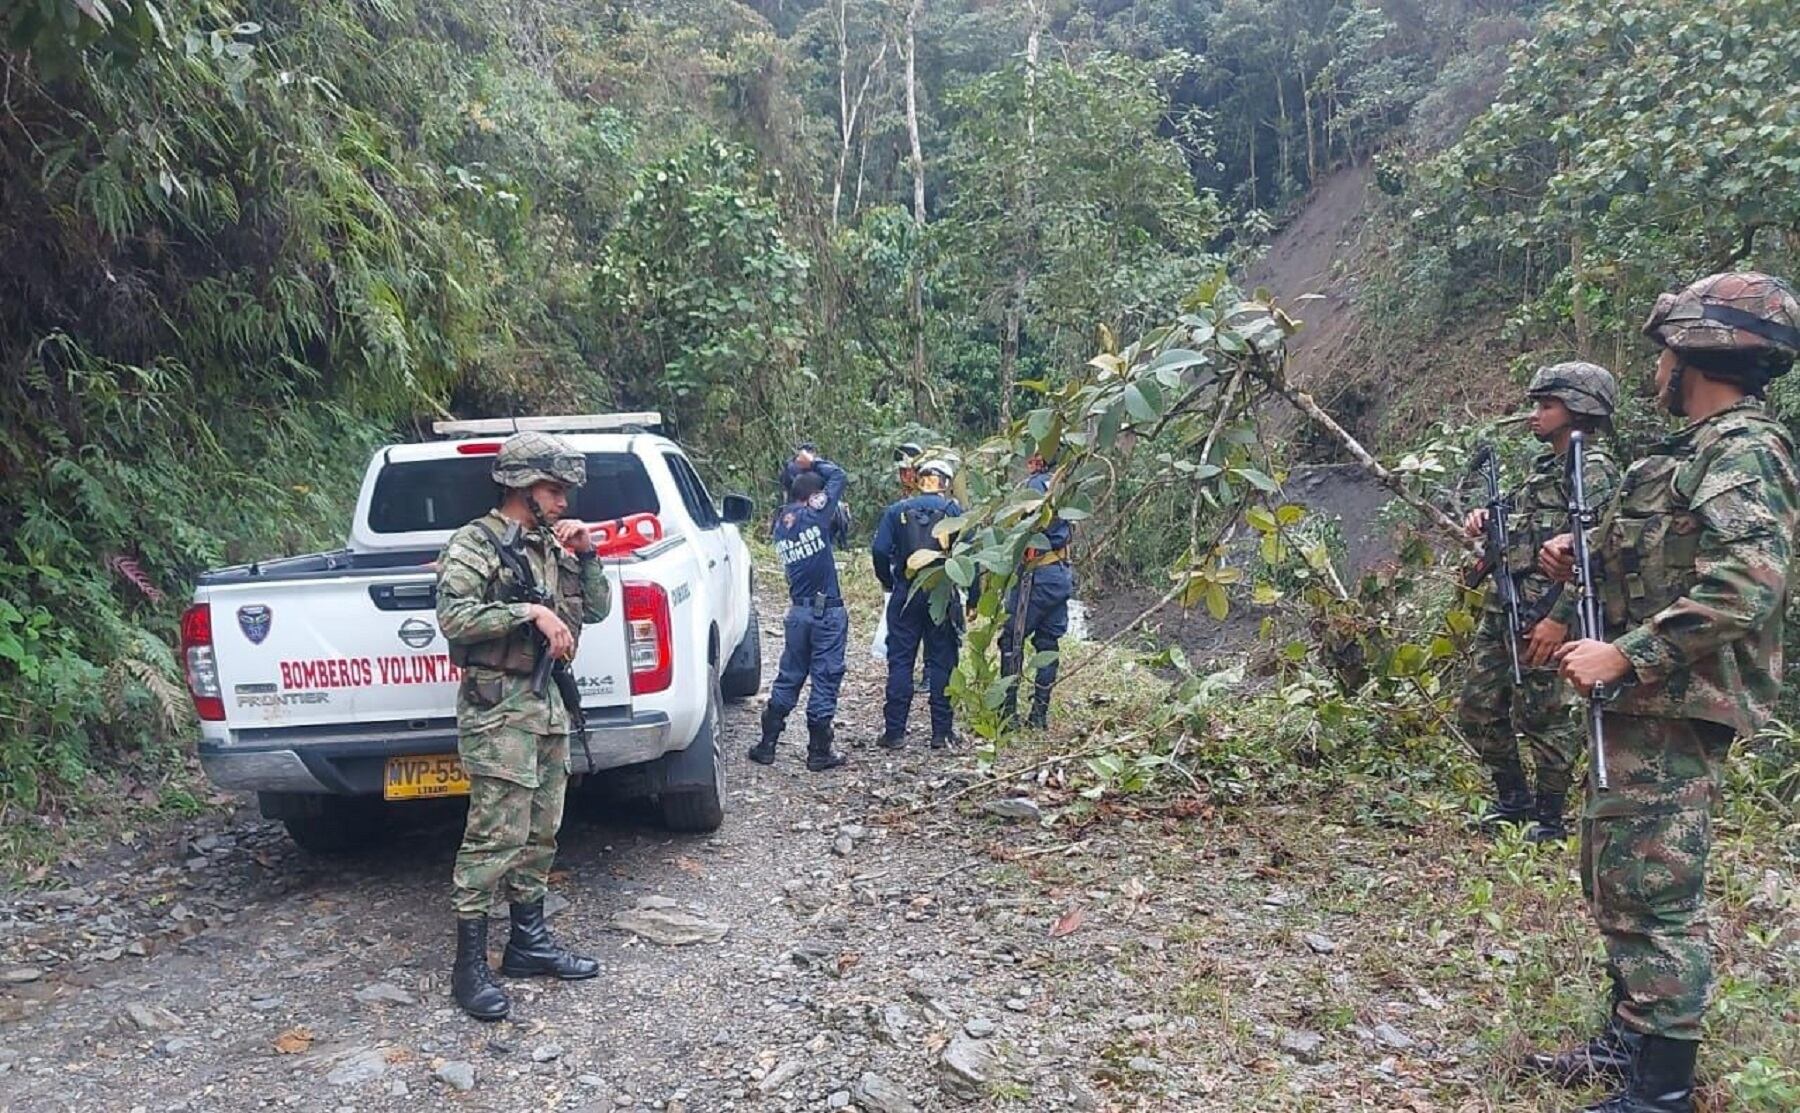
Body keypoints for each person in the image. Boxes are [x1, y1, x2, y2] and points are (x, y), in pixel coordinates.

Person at [1530, 273, 1799, 1113]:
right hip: (1650, 704)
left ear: (1697, 354)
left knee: (1656, 889)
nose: (1655, 371)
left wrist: (1628, 654)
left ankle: (1661, 1091)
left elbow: (1748, 582)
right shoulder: (1697, 452)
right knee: (1616, 874)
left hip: (1676, 702)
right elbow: (1673, 555)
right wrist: (1586, 555)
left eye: (1665, 353)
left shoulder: (1744, 449)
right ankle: (1632, 1034)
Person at [436, 431, 611, 1022]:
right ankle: (469, 966)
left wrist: (586, 554)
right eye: (553, 489)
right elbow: (454, 618)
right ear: (519, 486)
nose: (563, 501)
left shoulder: (552, 545)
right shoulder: (477, 544)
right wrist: (529, 610)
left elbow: (600, 608)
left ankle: (528, 944)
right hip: (498, 709)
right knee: (494, 836)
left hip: (547, 707)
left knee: (541, 832)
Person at [1458, 362, 1620, 841]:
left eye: (1547, 405)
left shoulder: (1592, 470)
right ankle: (1512, 801)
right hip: (1507, 607)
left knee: (1545, 719)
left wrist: (1558, 619)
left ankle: (1549, 818)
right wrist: (1488, 518)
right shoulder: (1545, 467)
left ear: (1579, 411)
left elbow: (1597, 552)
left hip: (1549, 614)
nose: (1535, 414)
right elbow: (1530, 525)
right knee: (1479, 706)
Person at [750, 448, 850, 772]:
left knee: (790, 676)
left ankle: (767, 745)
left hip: (798, 614)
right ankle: (819, 751)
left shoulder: (781, 522)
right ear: (813, 497)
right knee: (825, 676)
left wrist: (795, 469)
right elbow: (839, 476)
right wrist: (813, 462)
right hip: (826, 613)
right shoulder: (814, 515)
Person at [872, 456, 964, 749]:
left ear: (920, 479)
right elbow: (968, 555)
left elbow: (879, 550)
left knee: (900, 661)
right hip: (941, 594)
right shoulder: (954, 512)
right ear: (945, 484)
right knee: (941, 662)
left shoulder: (897, 510)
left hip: (906, 594)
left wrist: (888, 581)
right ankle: (942, 732)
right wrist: (971, 596)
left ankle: (895, 732)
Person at [999, 452, 1077, 730]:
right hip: (1059, 574)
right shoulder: (1065, 487)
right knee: (1048, 643)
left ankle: (1007, 714)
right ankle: (1039, 715)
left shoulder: (1033, 488)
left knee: (1011, 641)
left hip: (1036, 575)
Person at [779, 442, 849, 549]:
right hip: (811, 510)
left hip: (800, 511)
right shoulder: (793, 467)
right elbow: (838, 476)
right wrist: (813, 463)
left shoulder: (818, 469)